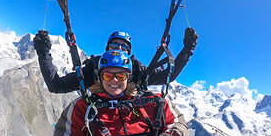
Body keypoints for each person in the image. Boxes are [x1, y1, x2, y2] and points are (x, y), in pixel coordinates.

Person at [53, 50, 189, 136]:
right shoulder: (83, 107)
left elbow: (178, 124)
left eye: (120, 75)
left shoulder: (152, 101)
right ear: (100, 78)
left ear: (128, 78)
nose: (114, 80)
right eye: (107, 75)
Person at [33, 28, 198, 93]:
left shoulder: (137, 69)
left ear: (129, 52)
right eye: (114, 45)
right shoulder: (93, 67)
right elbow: (56, 85)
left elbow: (167, 76)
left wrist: (186, 51)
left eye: (124, 47)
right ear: (107, 48)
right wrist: (43, 54)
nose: (119, 49)